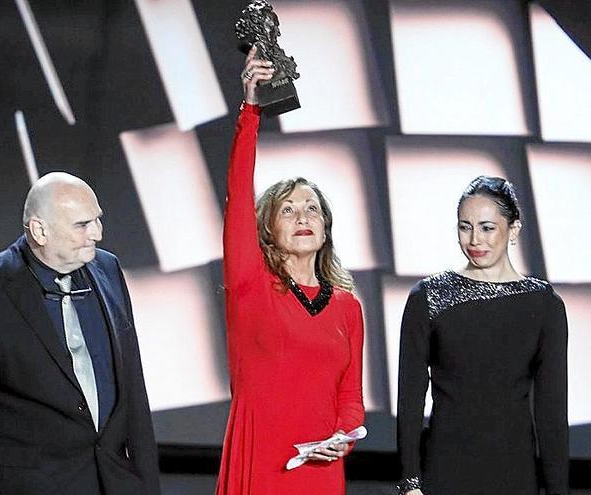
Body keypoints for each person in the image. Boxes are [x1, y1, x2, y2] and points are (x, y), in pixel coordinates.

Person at [0, 172, 160, 494]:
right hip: (32, 484)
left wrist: (146, 483)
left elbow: (133, 388)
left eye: (97, 220)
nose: (97, 234)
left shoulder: (108, 270)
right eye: (82, 225)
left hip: (113, 481)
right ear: (40, 231)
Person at [215, 47, 365, 495]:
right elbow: (239, 192)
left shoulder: (347, 307)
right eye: (288, 210)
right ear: (265, 228)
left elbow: (351, 399)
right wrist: (250, 111)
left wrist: (343, 440)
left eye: (312, 209)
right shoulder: (250, 286)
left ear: (326, 227)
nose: (303, 217)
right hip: (260, 463)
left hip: (319, 472)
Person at [396, 176, 569, 495]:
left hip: (514, 474)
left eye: (487, 227)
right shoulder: (428, 297)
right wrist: (409, 482)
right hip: (445, 470)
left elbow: (551, 413)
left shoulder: (544, 304)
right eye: (465, 227)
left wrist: (558, 491)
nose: (475, 239)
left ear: (513, 229)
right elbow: (410, 399)